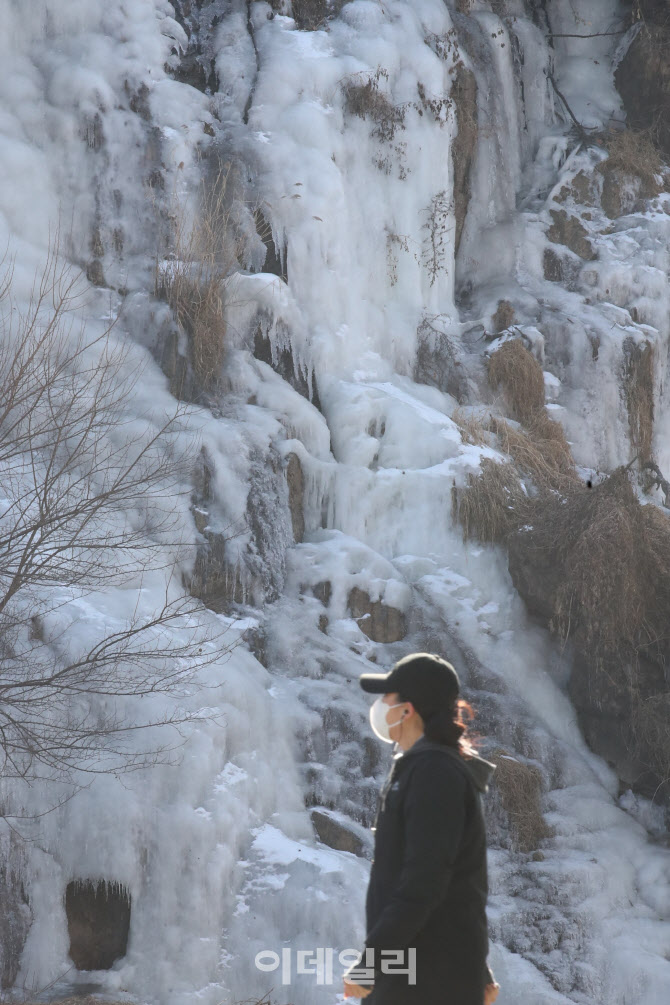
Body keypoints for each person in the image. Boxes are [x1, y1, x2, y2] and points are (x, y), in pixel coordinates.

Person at [342, 652, 500, 1005]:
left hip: (426, 982)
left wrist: (371, 963)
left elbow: (424, 881)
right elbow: (459, 878)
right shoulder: (423, 767)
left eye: (387, 697)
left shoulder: (434, 773)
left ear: (407, 709)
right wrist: (478, 966)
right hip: (419, 970)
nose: (380, 705)